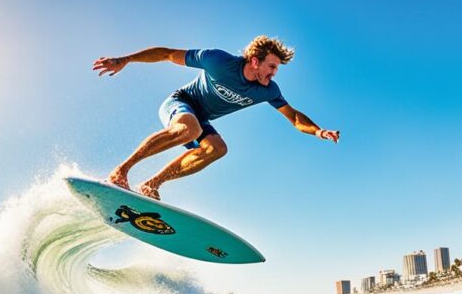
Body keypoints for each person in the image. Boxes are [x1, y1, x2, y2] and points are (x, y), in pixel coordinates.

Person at [93, 35, 340, 200]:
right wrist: (125, 60)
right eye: (272, 67)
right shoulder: (218, 61)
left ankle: (152, 184)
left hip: (200, 119)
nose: (274, 74)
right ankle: (120, 171)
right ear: (256, 61)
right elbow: (168, 54)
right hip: (181, 103)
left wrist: (319, 131)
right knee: (188, 129)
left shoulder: (268, 90)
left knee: (218, 148)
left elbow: (294, 117)